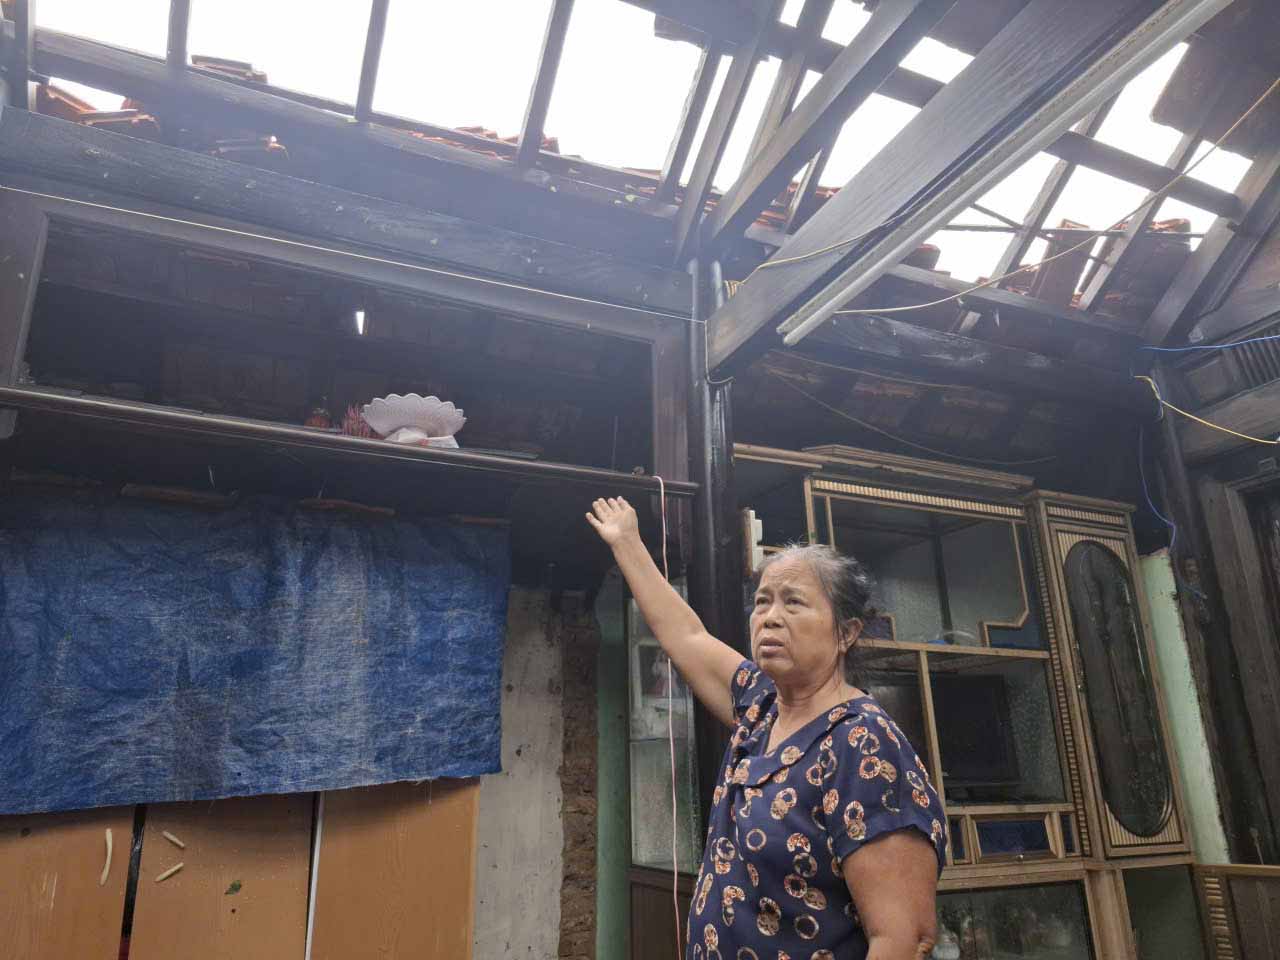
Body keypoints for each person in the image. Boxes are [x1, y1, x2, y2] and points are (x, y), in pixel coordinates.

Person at [587, 497, 946, 960]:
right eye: (762, 602)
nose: (770, 617)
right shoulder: (761, 706)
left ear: (846, 633)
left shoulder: (861, 745)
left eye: (793, 602)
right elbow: (688, 637)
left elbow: (904, 938)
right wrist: (629, 544)